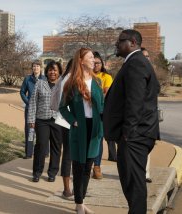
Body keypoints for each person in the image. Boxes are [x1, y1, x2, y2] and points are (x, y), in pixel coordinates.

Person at [103, 30, 160, 214]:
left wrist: (127, 133)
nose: (116, 44)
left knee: (134, 185)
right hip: (135, 134)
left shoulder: (136, 63)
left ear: (133, 42)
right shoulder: (135, 62)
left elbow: (135, 102)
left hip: (135, 136)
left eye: (120, 41)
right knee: (132, 184)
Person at [60, 48, 104, 214]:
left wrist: (103, 126)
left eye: (94, 58)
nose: (94, 60)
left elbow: (103, 106)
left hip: (95, 129)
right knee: (78, 168)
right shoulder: (71, 83)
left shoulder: (97, 82)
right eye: (91, 57)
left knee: (88, 168)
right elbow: (63, 108)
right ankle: (79, 204)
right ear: (81, 60)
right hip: (79, 129)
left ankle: (81, 201)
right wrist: (74, 121)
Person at [28, 60, 63, 183]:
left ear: (59, 72)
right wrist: (31, 120)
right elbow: (33, 102)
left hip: (58, 120)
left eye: (55, 70)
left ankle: (52, 173)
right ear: (47, 72)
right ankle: (37, 172)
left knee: (56, 147)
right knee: (41, 146)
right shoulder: (40, 84)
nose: (52, 72)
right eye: (50, 70)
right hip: (42, 120)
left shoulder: (63, 84)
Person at [50, 59, 73, 199]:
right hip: (69, 121)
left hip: (65, 120)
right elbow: (63, 102)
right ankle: (67, 189)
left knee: (69, 154)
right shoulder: (68, 79)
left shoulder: (64, 78)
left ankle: (69, 188)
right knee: (69, 154)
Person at [92, 51, 115, 180]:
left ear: (102, 64)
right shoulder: (85, 76)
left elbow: (105, 94)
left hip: (101, 113)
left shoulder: (106, 77)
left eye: (98, 63)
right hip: (86, 113)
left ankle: (97, 166)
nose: (96, 65)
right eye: (93, 63)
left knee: (99, 139)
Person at [20, 60, 46, 159]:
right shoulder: (27, 79)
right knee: (30, 130)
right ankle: (29, 153)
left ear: (41, 68)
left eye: (38, 66)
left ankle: (44, 151)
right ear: (32, 68)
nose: (36, 68)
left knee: (42, 131)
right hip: (30, 109)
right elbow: (22, 92)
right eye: (34, 66)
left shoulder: (45, 79)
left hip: (42, 110)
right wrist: (28, 102)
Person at [141, 47, 153, 183]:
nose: (146, 58)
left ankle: (146, 173)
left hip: (149, 116)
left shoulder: (152, 73)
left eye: (148, 56)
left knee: (148, 146)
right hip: (137, 116)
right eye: (144, 56)